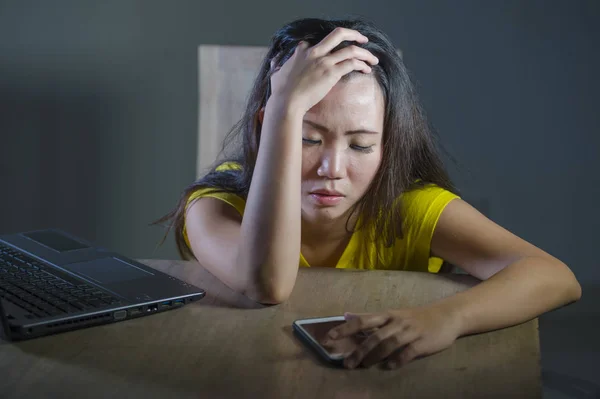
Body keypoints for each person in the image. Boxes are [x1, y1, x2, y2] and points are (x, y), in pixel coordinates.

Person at [155, 17, 581, 370]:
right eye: (307, 138)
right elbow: (267, 284)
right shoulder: (216, 204)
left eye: (360, 145)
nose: (332, 170)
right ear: (271, 127)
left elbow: (555, 276)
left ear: (388, 145)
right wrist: (286, 107)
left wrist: (447, 318)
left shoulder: (407, 207)